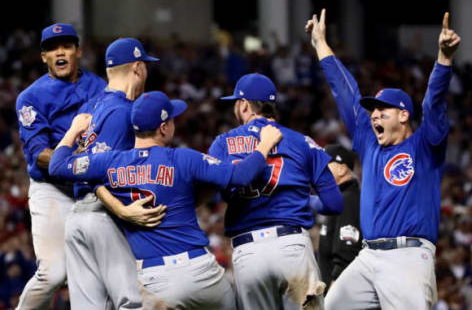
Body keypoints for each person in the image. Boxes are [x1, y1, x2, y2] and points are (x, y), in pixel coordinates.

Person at [48, 90, 283, 309]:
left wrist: (73, 130)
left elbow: (57, 165)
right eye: (171, 119)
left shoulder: (108, 162)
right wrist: (263, 146)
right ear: (163, 128)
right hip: (200, 274)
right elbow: (241, 176)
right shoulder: (183, 158)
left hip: (154, 280)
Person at [306, 9, 460, 309]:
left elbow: (434, 103)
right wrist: (320, 45)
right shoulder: (369, 142)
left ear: (403, 115)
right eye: (372, 110)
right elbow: (345, 92)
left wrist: (443, 60)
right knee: (331, 305)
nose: (374, 114)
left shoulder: (425, 144)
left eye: (382, 109)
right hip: (368, 256)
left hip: (408, 257)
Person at [208, 73, 344, 309]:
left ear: (244, 104)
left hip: (248, 252)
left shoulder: (222, 143)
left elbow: (220, 194)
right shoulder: (303, 142)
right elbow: (334, 203)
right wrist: (304, 199)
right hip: (292, 246)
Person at [63, 38, 162, 310]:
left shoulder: (90, 108)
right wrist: (121, 210)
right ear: (138, 67)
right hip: (105, 216)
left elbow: (76, 164)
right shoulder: (124, 112)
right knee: (133, 303)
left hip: (77, 219)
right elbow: (99, 174)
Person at [15, 23, 106, 310]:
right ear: (44, 57)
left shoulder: (100, 87)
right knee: (54, 273)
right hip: (53, 189)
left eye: (66, 46)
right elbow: (38, 153)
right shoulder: (31, 97)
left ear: (78, 51)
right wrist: (72, 158)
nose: (60, 52)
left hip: (92, 187)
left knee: (97, 275)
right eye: (52, 48)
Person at [315, 144, 362, 291]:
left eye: (326, 164)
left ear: (342, 169)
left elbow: (347, 252)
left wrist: (335, 288)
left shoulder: (348, 199)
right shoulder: (337, 198)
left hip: (342, 290)